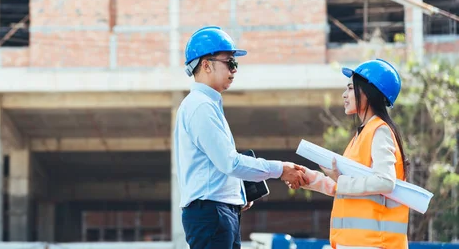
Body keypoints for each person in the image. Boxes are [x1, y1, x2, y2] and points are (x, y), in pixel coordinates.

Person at [174, 26, 308, 249]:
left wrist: (236, 193)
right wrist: (281, 169)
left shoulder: (207, 105)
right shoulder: (201, 107)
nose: (234, 69)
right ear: (206, 65)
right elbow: (229, 162)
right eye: (230, 62)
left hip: (219, 211)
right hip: (212, 214)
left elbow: (215, 165)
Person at [295, 59, 410, 249]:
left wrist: (341, 181)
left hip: (373, 243)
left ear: (368, 92)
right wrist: (307, 178)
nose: (344, 95)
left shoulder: (379, 131)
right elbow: (343, 187)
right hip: (356, 243)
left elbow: (385, 181)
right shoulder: (362, 135)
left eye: (350, 88)